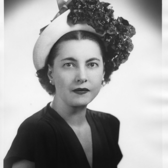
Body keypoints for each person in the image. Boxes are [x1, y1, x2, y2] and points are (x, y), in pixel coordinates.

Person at [4, 0, 136, 168]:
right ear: (51, 73)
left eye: (92, 64)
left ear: (104, 71)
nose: (81, 77)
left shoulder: (109, 125)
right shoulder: (34, 131)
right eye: (69, 64)